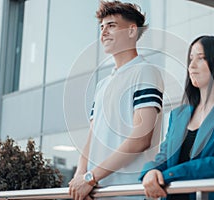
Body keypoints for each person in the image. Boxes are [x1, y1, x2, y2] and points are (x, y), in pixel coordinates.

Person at [140, 35, 214, 200]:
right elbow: (164, 156)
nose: (191, 66)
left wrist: (169, 175)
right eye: (190, 59)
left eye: (201, 58)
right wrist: (150, 171)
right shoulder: (178, 115)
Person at [68, 1, 164, 200]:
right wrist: (80, 176)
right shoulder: (103, 84)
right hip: (98, 192)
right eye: (102, 27)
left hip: (130, 193)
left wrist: (90, 177)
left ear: (131, 31)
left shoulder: (145, 72)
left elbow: (141, 138)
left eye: (111, 26)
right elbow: (92, 136)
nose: (103, 33)